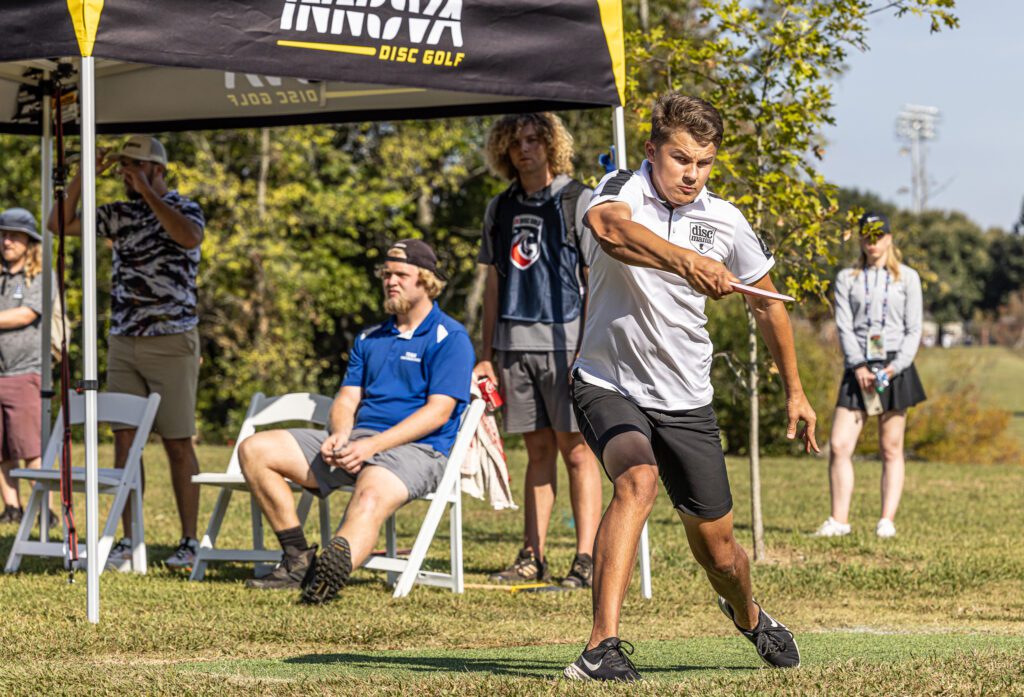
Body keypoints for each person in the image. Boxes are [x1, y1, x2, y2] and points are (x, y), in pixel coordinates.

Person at [562, 93, 819, 682]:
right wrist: (685, 261)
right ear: (652, 150)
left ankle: (750, 616)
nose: (690, 174)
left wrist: (796, 392)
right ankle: (601, 647)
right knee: (637, 479)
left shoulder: (727, 221)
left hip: (686, 399)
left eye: (703, 162)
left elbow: (769, 308)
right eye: (679, 158)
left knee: (720, 554)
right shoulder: (620, 187)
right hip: (608, 381)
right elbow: (609, 232)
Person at [239, 240, 474, 603]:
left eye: (401, 275)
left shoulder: (450, 337)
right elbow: (347, 398)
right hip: (357, 441)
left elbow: (437, 412)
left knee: (369, 493)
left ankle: (329, 575)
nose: (390, 281)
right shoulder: (370, 337)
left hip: (418, 451)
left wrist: (372, 446)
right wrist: (340, 434)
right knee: (255, 449)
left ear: (426, 281)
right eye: (387, 274)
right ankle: (298, 557)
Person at [49, 135, 206, 570]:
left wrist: (151, 196)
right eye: (124, 168)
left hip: (172, 339)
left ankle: (189, 540)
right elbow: (58, 224)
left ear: (159, 170)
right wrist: (84, 175)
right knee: (123, 440)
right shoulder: (119, 214)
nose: (128, 175)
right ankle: (129, 541)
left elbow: (188, 238)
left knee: (177, 441)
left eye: (137, 167)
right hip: (123, 339)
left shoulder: (185, 208)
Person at [475, 112, 604, 589]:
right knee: (537, 452)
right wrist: (485, 351)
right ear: (504, 150)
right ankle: (532, 556)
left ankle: (586, 558)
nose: (525, 149)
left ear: (552, 145)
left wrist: (588, 347)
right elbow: (492, 283)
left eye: (534, 139)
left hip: (567, 342)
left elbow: (594, 280)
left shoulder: (578, 200)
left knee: (578, 452)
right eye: (515, 142)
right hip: (513, 344)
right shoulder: (499, 208)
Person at [815, 212, 925, 539]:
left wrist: (896, 366)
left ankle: (886, 520)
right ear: (860, 239)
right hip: (858, 367)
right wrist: (858, 365)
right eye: (867, 236)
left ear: (890, 238)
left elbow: (913, 328)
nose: (872, 242)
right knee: (839, 444)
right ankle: (839, 520)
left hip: (894, 366)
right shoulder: (847, 278)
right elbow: (844, 326)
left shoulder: (907, 278)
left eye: (879, 236)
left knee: (891, 447)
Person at [0, 209, 53, 524]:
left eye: (14, 235)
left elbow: (27, 314)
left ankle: (43, 508)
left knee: (29, 446)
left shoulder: (39, 275)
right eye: (3, 234)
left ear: (28, 241)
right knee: (2, 448)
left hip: (25, 372)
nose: (7, 241)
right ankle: (12, 507)